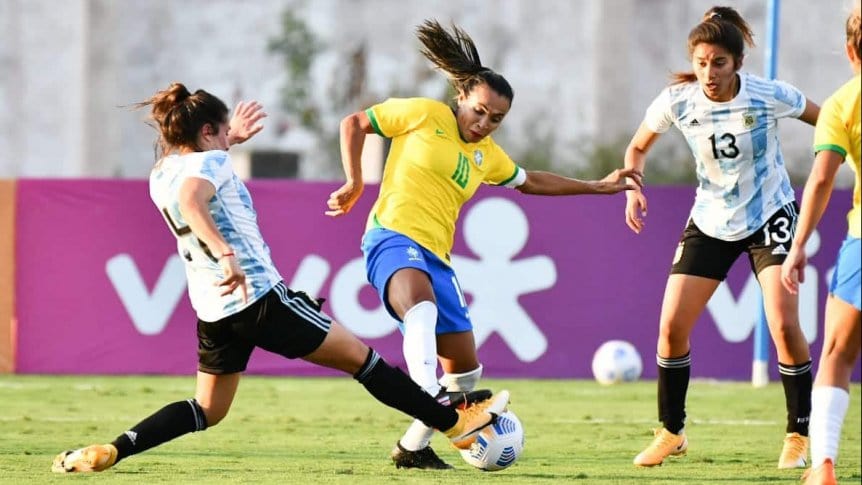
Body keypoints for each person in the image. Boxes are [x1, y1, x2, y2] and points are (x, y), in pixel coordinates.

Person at [51, 82, 510, 473]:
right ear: (207, 131)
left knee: (206, 410)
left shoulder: (162, 171)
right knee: (365, 363)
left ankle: (115, 449)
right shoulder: (208, 165)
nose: (228, 136)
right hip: (259, 296)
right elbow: (195, 197)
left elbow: (193, 175)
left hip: (214, 310)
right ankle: (457, 426)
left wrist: (229, 140)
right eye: (222, 129)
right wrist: (227, 254)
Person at [326, 20, 643, 470]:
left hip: (437, 255)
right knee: (422, 308)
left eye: (496, 118)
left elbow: (531, 180)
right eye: (479, 110)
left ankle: (412, 447)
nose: (484, 122)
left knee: (466, 373)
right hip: (391, 236)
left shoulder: (487, 155)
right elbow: (354, 122)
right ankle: (425, 387)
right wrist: (355, 180)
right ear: (461, 98)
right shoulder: (423, 114)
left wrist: (598, 185)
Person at [621, 6, 821, 468]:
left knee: (784, 325)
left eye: (719, 63)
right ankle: (672, 431)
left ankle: (799, 433)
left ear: (737, 63)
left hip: (770, 213)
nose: (708, 73)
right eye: (701, 62)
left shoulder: (767, 95)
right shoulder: (677, 100)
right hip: (711, 219)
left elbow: (828, 121)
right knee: (671, 328)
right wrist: (633, 189)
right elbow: (637, 147)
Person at [781, 6, 861, 484]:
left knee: (837, 352)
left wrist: (798, 245)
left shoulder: (841, 104)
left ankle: (824, 465)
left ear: (850, 51)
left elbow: (821, 180)